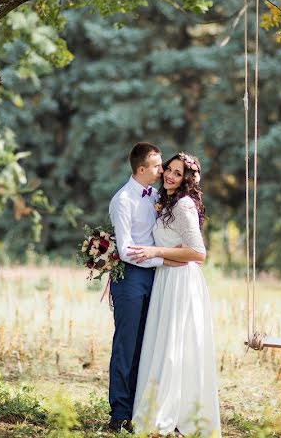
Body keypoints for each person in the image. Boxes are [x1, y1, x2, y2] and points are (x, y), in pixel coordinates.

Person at [128, 152, 221, 437]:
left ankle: (176, 413)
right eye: (168, 169)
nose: (169, 175)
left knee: (176, 348)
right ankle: (164, 407)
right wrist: (161, 259)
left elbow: (198, 253)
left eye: (177, 173)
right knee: (165, 345)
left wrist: (155, 252)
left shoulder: (183, 205)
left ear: (187, 180)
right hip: (167, 278)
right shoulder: (167, 202)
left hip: (182, 284)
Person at [107, 142, 180, 433]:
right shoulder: (122, 200)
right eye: (157, 166)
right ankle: (119, 413)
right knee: (127, 345)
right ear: (141, 169)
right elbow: (125, 250)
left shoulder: (159, 197)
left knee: (151, 343)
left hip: (158, 277)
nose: (162, 171)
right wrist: (162, 259)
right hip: (131, 279)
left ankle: (142, 408)